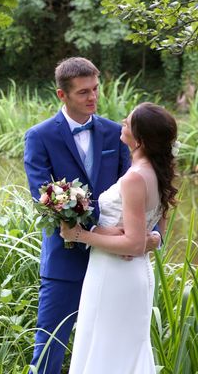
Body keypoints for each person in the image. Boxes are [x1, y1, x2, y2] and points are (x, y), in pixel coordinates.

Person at [24, 57, 159, 374]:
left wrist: (153, 236)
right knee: (49, 350)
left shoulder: (118, 134)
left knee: (111, 349)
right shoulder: (39, 136)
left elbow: (144, 191)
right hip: (65, 260)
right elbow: (41, 196)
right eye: (84, 92)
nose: (93, 97)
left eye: (95, 89)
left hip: (116, 264)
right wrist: (96, 230)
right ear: (62, 95)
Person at [60, 102, 177, 373]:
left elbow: (134, 244)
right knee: (119, 349)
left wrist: (81, 235)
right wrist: (113, 231)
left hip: (116, 273)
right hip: (132, 271)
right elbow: (150, 229)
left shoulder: (135, 178)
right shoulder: (155, 171)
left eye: (129, 121)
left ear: (141, 140)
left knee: (108, 352)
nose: (123, 121)